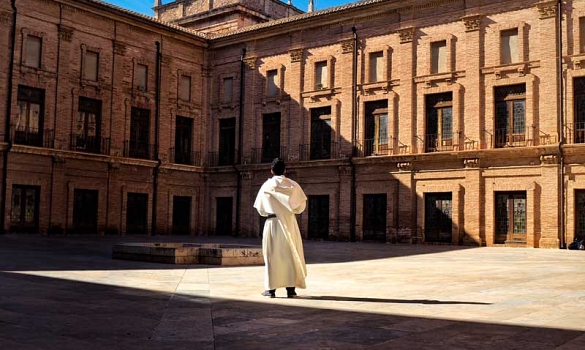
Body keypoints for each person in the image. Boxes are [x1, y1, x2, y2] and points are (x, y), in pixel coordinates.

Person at [253, 158, 308, 298]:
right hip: (289, 222)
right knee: (290, 254)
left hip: (272, 223)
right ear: (285, 171)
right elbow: (301, 207)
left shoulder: (266, 186)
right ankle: (291, 289)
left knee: (272, 255)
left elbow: (260, 209)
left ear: (271, 171)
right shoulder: (293, 185)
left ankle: (271, 290)